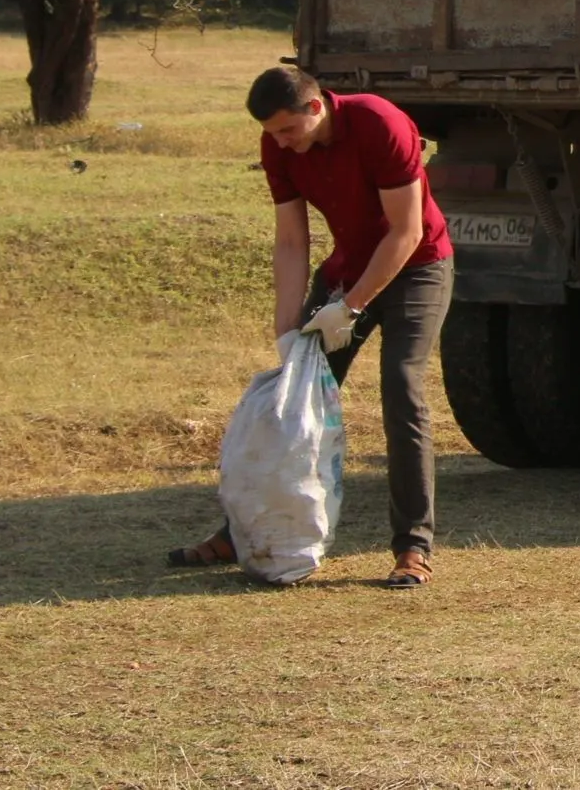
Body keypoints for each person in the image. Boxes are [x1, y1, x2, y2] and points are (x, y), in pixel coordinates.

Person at [168, 66, 456, 587]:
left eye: (287, 131)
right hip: (346, 273)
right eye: (272, 133)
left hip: (417, 269)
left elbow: (406, 230)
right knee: (290, 396)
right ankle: (240, 534)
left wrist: (350, 308)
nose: (279, 143)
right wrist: (288, 333)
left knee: (401, 388)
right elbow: (291, 243)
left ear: (315, 107)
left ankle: (413, 545)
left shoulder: (378, 123)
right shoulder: (278, 145)